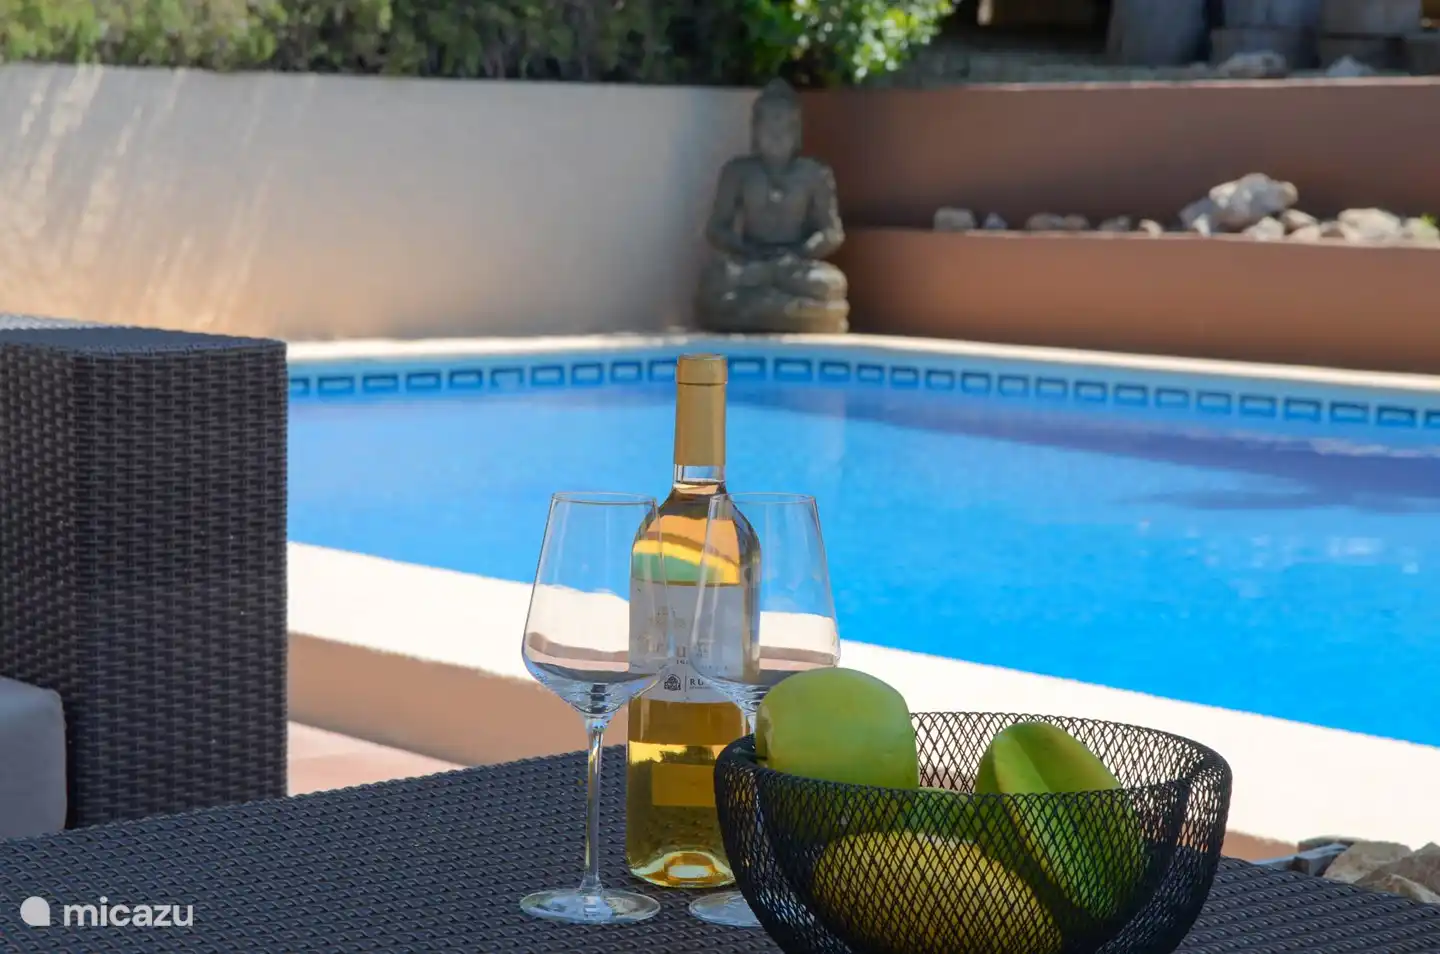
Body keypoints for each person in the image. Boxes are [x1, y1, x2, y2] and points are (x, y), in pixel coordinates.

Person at [695, 79, 850, 334]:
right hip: (751, 260)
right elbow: (716, 228)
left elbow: (832, 232)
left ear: (797, 132)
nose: (776, 136)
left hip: (794, 264)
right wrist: (747, 250)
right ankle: (792, 307)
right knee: (714, 280)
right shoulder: (738, 171)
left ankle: (769, 304)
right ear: (755, 131)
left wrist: (799, 253)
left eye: (785, 128)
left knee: (831, 284)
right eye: (769, 127)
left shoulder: (814, 174)